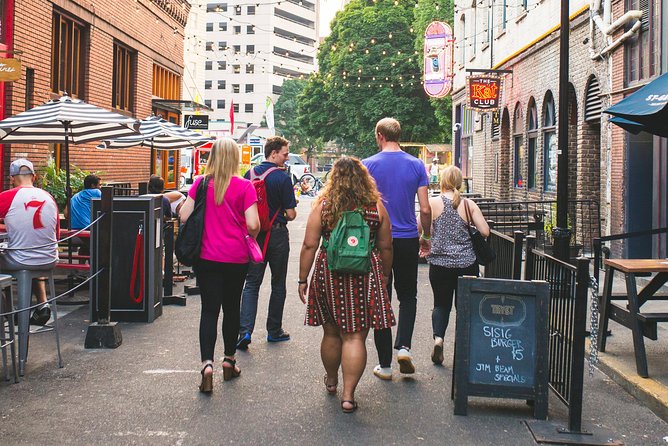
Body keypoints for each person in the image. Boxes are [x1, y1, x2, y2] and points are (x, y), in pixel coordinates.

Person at [298, 156, 394, 413]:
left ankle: (331, 380)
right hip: (365, 273)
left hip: (330, 273)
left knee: (331, 332)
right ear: (364, 178)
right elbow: (386, 245)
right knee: (355, 336)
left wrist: (302, 278)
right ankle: (349, 395)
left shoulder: (325, 206)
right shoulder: (375, 207)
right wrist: (384, 275)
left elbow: (309, 244)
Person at [179, 138, 260, 393]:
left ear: (212, 157)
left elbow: (183, 215)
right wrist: (247, 237)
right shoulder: (245, 186)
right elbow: (254, 224)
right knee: (232, 308)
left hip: (206, 258)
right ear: (236, 158)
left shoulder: (201, 184)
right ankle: (229, 360)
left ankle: (206, 366)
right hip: (235, 258)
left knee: (209, 310)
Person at [363, 117, 432, 379]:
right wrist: (425, 236)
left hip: (377, 240)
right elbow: (425, 208)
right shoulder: (416, 165)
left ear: (380, 135)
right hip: (406, 239)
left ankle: (386, 365)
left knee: (381, 298)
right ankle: (404, 346)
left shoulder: (367, 165)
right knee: (408, 296)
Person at [422, 165, 489, 364]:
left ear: (442, 181)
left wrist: (430, 234)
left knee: (441, 305)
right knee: (465, 307)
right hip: (467, 264)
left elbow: (420, 226)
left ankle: (439, 339)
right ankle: (463, 351)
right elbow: (485, 232)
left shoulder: (433, 203)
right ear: (459, 182)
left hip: (439, 264)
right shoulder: (468, 204)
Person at [237, 136, 297, 348]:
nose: (286, 158)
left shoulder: (248, 174)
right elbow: (290, 214)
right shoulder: (282, 178)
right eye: (285, 153)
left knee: (251, 283)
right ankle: (274, 330)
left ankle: (244, 331)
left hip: (254, 235)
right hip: (278, 235)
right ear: (273, 153)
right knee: (278, 283)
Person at [0, 159, 59, 326]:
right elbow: (55, 233)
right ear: (34, 177)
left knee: (20, 252)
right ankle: (43, 305)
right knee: (29, 248)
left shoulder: (8, 196)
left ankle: (7, 313)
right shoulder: (49, 197)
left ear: (12, 179)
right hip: (49, 259)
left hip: (21, 259)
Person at [64, 174, 101, 257]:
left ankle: (82, 263)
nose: (100, 187)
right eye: (99, 185)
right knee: (101, 241)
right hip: (87, 229)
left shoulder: (75, 196)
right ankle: (95, 266)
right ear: (93, 185)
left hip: (72, 233)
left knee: (86, 245)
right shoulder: (96, 192)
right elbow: (107, 205)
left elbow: (66, 215)